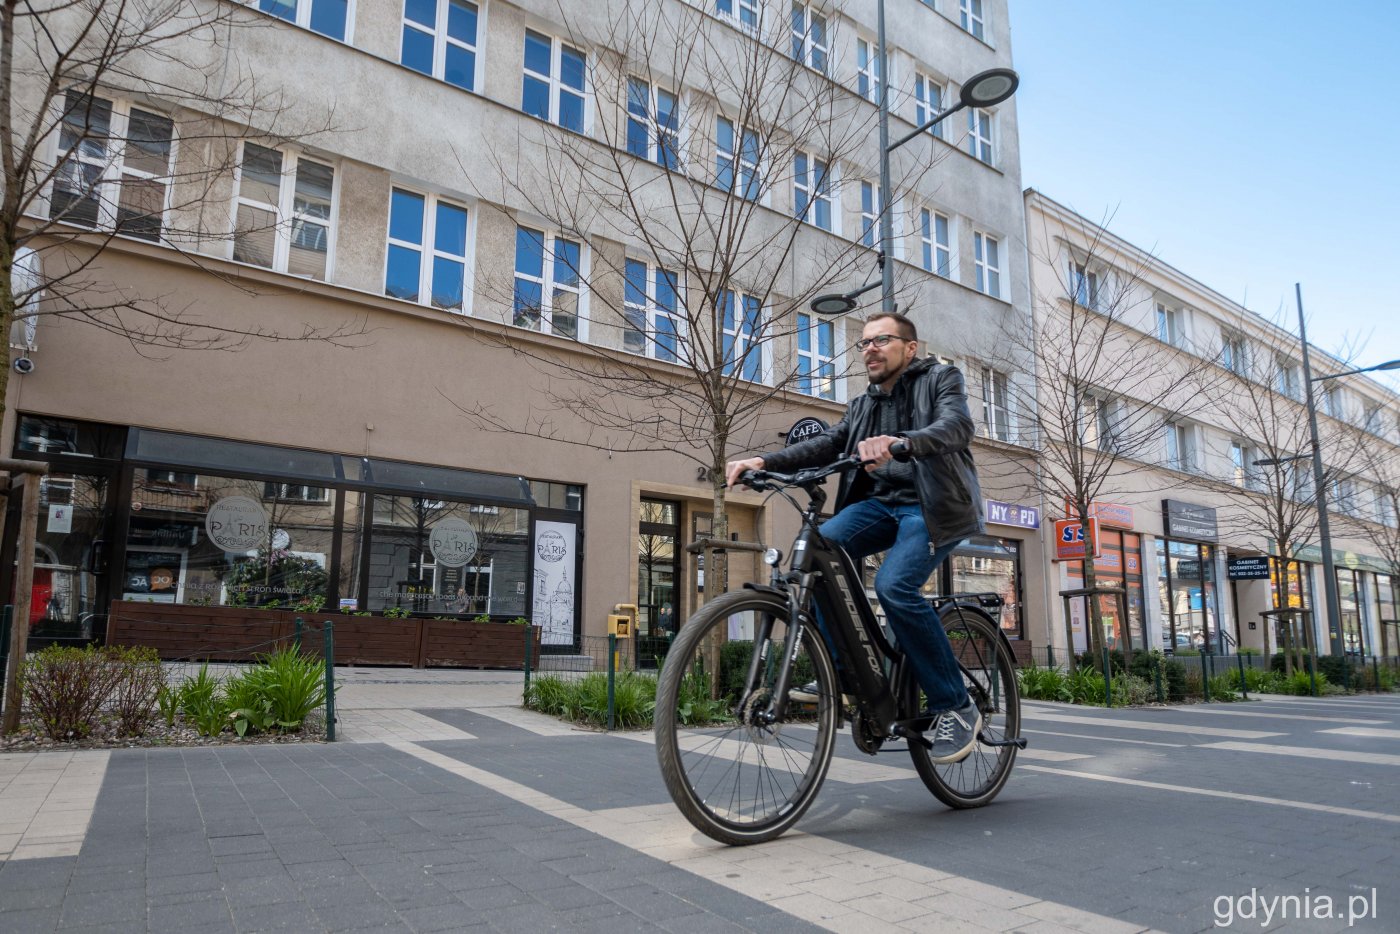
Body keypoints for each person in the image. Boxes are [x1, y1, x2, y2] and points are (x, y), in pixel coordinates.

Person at [725, 311, 986, 764]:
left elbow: (957, 426)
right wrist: (766, 463)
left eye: (881, 340)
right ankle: (842, 673)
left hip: (932, 507)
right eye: (863, 343)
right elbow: (829, 443)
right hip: (880, 506)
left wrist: (900, 441)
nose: (869, 349)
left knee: (893, 586)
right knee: (819, 554)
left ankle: (955, 704)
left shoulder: (941, 378)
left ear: (910, 348)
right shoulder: (864, 404)